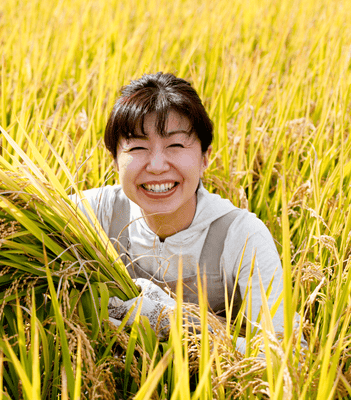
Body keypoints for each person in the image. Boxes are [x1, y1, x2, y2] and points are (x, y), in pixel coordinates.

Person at [72, 72, 291, 349]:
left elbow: (284, 352)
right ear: (115, 161)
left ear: (204, 158)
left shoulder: (241, 236)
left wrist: (185, 329)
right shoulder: (94, 213)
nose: (157, 165)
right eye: (138, 147)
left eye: (175, 145)